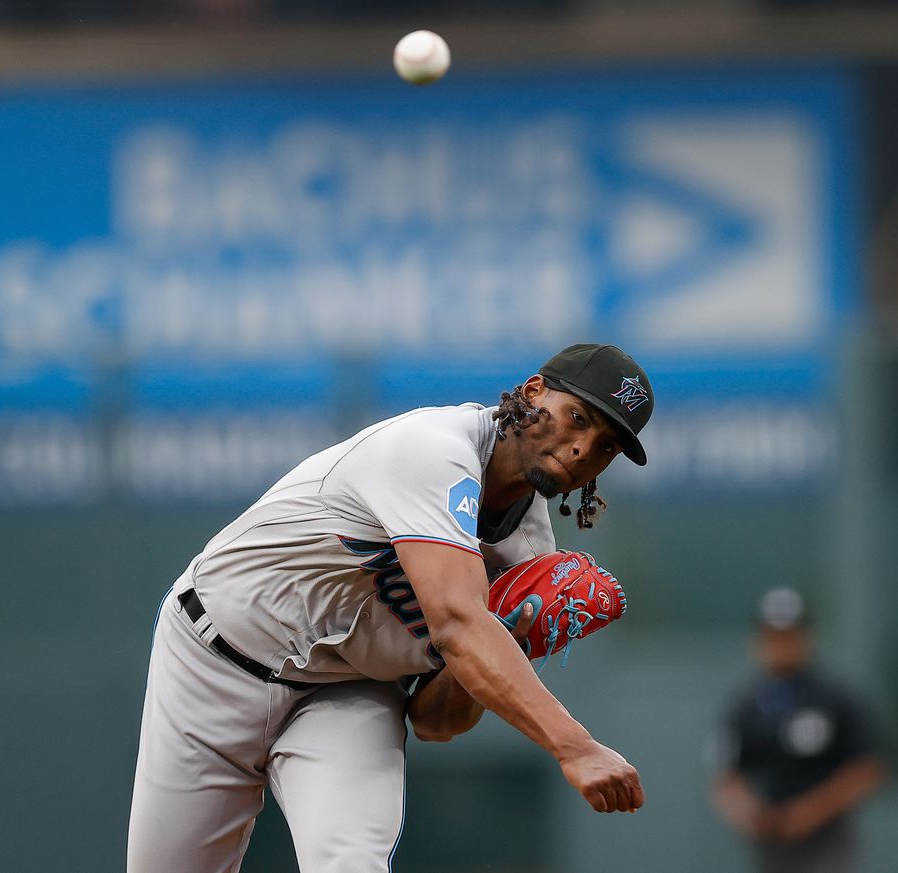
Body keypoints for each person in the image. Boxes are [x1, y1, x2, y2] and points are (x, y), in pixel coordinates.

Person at [127, 343, 655, 873]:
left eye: (606, 446)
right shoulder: (432, 448)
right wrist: (576, 747)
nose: (584, 448)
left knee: (352, 864)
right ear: (534, 391)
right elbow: (455, 624)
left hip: (347, 689)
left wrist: (507, 642)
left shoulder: (531, 558)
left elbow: (435, 721)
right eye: (578, 417)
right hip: (214, 660)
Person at [711, 587, 886, 873]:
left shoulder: (835, 699)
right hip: (773, 842)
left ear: (806, 637)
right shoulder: (746, 707)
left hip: (827, 839)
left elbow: (868, 767)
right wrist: (750, 813)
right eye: (773, 635)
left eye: (789, 635)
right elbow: (725, 778)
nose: (781, 644)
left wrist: (810, 811)